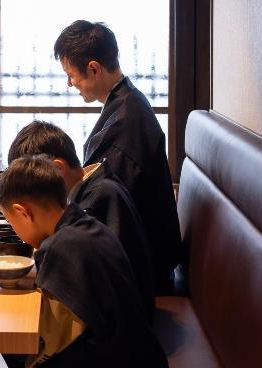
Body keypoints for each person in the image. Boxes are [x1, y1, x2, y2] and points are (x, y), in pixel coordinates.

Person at [0, 155, 175, 368]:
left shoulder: (59, 249)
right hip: (138, 365)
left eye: (11, 222)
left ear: (23, 212)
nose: (15, 231)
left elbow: (52, 345)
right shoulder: (87, 224)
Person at [54, 20, 182, 294]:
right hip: (142, 259)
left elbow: (103, 204)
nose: (69, 84)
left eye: (71, 75)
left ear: (94, 69)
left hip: (143, 275)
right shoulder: (127, 100)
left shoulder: (128, 122)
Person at [7, 120, 155, 320]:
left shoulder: (96, 201)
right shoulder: (96, 183)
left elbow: (82, 278)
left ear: (57, 169)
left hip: (125, 321)